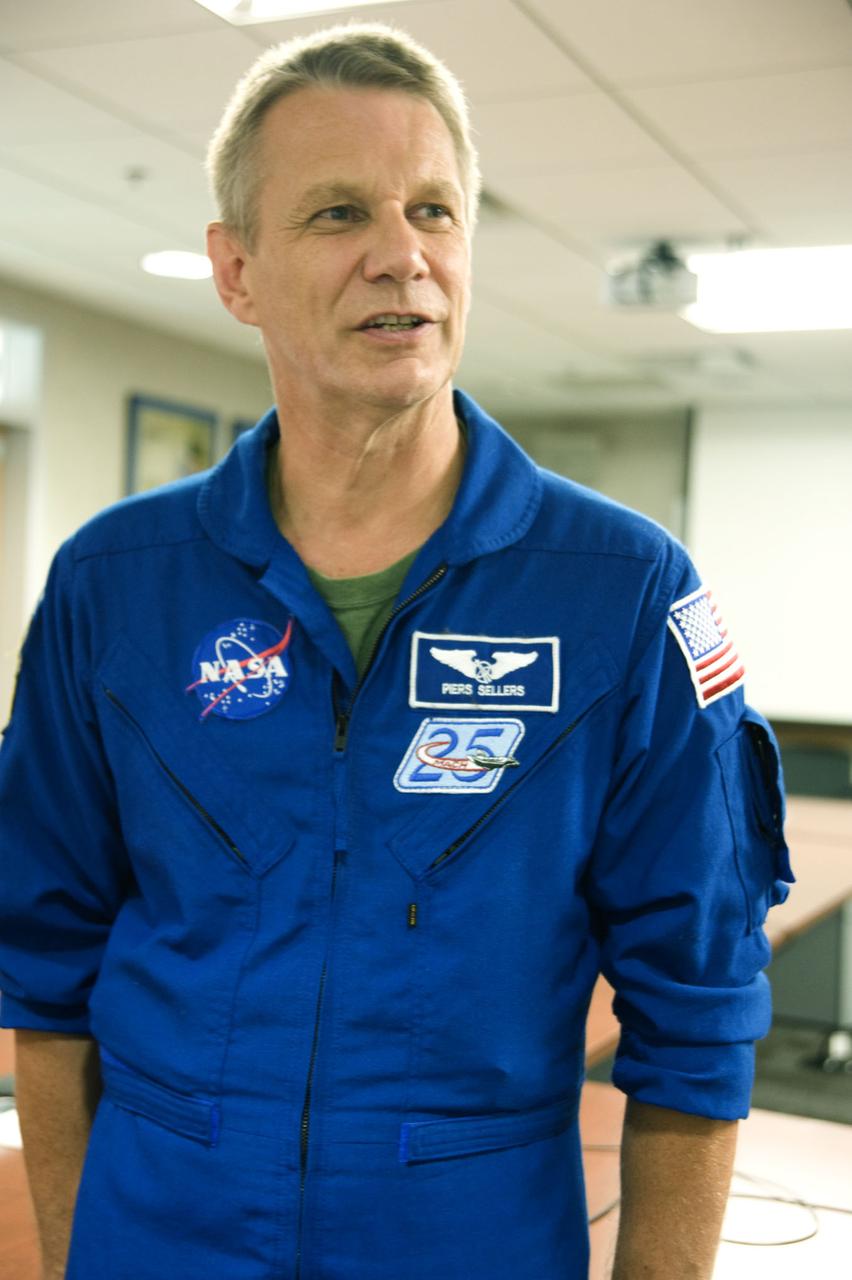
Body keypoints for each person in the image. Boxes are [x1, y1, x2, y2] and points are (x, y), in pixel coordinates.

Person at [0, 23, 793, 1280]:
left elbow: (695, 1015)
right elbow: (43, 973)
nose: (402, 255)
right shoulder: (114, 586)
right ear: (237, 268)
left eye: (435, 208)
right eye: (336, 213)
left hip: (466, 1240)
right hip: (162, 1233)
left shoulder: (627, 596)